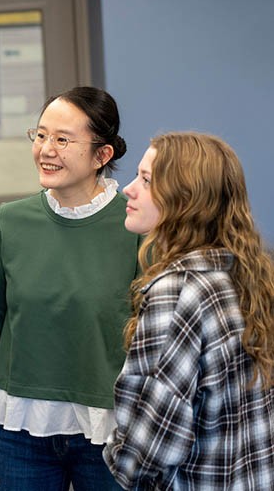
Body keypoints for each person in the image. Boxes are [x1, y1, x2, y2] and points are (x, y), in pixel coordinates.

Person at [0, 86, 141, 490]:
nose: (46, 149)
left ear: (102, 155)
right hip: (20, 430)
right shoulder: (10, 221)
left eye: (63, 139)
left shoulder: (134, 224)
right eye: (41, 135)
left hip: (111, 430)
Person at [103, 132, 274, 489]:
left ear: (185, 200)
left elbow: (148, 449)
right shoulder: (248, 274)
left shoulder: (177, 293)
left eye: (146, 180)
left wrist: (116, 454)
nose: (127, 190)